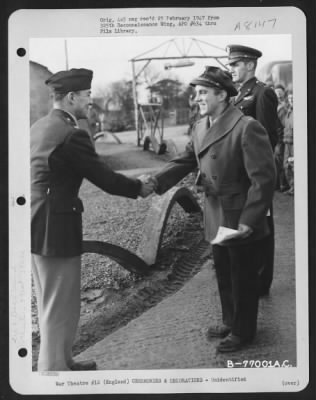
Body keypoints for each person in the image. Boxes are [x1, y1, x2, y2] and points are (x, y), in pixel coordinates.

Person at [31, 68, 155, 371]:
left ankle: (64, 361)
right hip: (54, 226)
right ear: (71, 97)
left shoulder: (40, 127)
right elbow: (105, 178)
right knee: (57, 304)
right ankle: (53, 375)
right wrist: (140, 187)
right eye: (87, 95)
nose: (90, 101)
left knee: (55, 299)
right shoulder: (72, 134)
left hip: (37, 222)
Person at [151, 66, 276, 352]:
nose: (197, 98)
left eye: (203, 92)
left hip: (238, 213)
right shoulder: (199, 126)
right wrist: (154, 181)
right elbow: (185, 161)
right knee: (223, 270)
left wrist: (250, 218)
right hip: (215, 211)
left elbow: (264, 178)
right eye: (197, 93)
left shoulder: (246, 127)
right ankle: (230, 320)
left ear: (221, 94)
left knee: (242, 275)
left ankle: (244, 332)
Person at [226, 44, 279, 297]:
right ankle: (251, 276)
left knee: (263, 224)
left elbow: (269, 136)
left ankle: (262, 280)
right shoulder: (236, 96)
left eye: (235, 64)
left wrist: (258, 170)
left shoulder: (262, 93)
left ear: (249, 64)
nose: (232, 69)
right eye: (231, 65)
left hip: (255, 174)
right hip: (239, 175)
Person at [274, 84, 289, 192]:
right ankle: (280, 184)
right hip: (277, 137)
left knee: (281, 161)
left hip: (281, 138)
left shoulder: (282, 108)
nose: (278, 94)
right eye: (276, 92)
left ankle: (283, 185)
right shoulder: (276, 105)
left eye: (280, 92)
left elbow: (285, 124)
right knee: (277, 161)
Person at [283, 89, 294, 195]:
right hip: (286, 142)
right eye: (290, 98)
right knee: (286, 165)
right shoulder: (288, 111)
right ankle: (291, 188)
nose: (291, 100)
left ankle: (295, 189)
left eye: (293, 98)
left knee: (294, 165)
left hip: (294, 144)